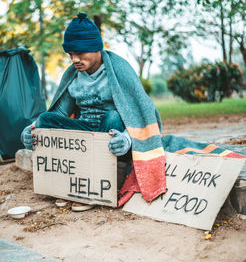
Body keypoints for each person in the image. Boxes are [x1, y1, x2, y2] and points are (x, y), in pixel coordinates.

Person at [21, 12, 159, 210]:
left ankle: (98, 188)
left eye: (80, 53)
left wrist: (127, 139)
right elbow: (59, 114)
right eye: (70, 54)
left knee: (111, 116)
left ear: (96, 48)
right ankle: (69, 186)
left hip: (112, 133)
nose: (75, 59)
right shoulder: (73, 74)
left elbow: (143, 113)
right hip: (85, 134)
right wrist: (33, 129)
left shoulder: (119, 69)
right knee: (44, 118)